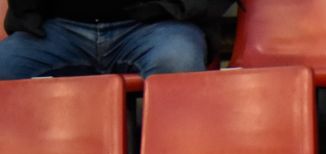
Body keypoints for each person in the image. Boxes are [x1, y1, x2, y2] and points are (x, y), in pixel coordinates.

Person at [0, 1, 219, 80]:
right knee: (5, 66)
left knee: (177, 63)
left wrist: (171, 8)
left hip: (155, 26)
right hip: (60, 29)